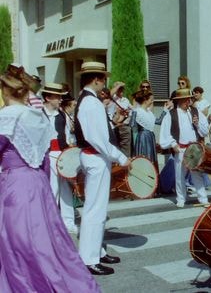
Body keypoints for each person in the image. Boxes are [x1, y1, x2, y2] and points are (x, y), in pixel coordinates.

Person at [0, 66, 100, 292]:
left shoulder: (5, 116)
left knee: (15, 241)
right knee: (45, 239)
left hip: (14, 185)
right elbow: (44, 159)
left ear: (6, 91)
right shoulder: (38, 116)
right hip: (38, 183)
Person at [74, 61, 130, 275]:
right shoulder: (91, 103)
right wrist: (121, 157)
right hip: (96, 158)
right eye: (104, 79)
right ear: (97, 79)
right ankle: (89, 259)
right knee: (94, 210)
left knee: (98, 209)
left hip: (96, 157)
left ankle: (96, 251)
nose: (105, 83)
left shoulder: (90, 101)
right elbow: (97, 138)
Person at [159, 88, 209, 208]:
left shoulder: (195, 112)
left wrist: (197, 124)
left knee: (196, 174)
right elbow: (165, 133)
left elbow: (205, 131)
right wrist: (172, 144)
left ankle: (203, 198)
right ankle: (181, 198)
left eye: (189, 99)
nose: (188, 102)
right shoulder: (171, 114)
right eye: (186, 100)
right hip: (180, 149)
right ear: (179, 101)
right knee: (179, 175)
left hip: (193, 149)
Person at [41, 82, 79, 234]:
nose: (60, 100)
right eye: (57, 97)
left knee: (65, 189)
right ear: (48, 97)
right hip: (46, 155)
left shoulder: (62, 115)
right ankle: (50, 222)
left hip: (61, 155)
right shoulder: (38, 113)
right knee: (52, 189)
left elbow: (67, 135)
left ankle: (68, 221)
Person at [130, 90, 159, 167]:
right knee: (144, 156)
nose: (152, 102)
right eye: (151, 100)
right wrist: (133, 113)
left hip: (150, 137)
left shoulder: (149, 112)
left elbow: (158, 121)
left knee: (151, 158)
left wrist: (165, 110)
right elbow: (132, 125)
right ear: (145, 100)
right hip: (143, 137)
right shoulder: (137, 111)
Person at [110, 81, 133, 157]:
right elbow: (109, 94)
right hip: (114, 127)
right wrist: (118, 85)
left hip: (124, 126)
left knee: (126, 151)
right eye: (119, 89)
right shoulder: (112, 99)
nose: (121, 90)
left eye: (122, 89)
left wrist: (128, 113)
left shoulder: (126, 100)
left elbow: (133, 110)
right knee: (115, 149)